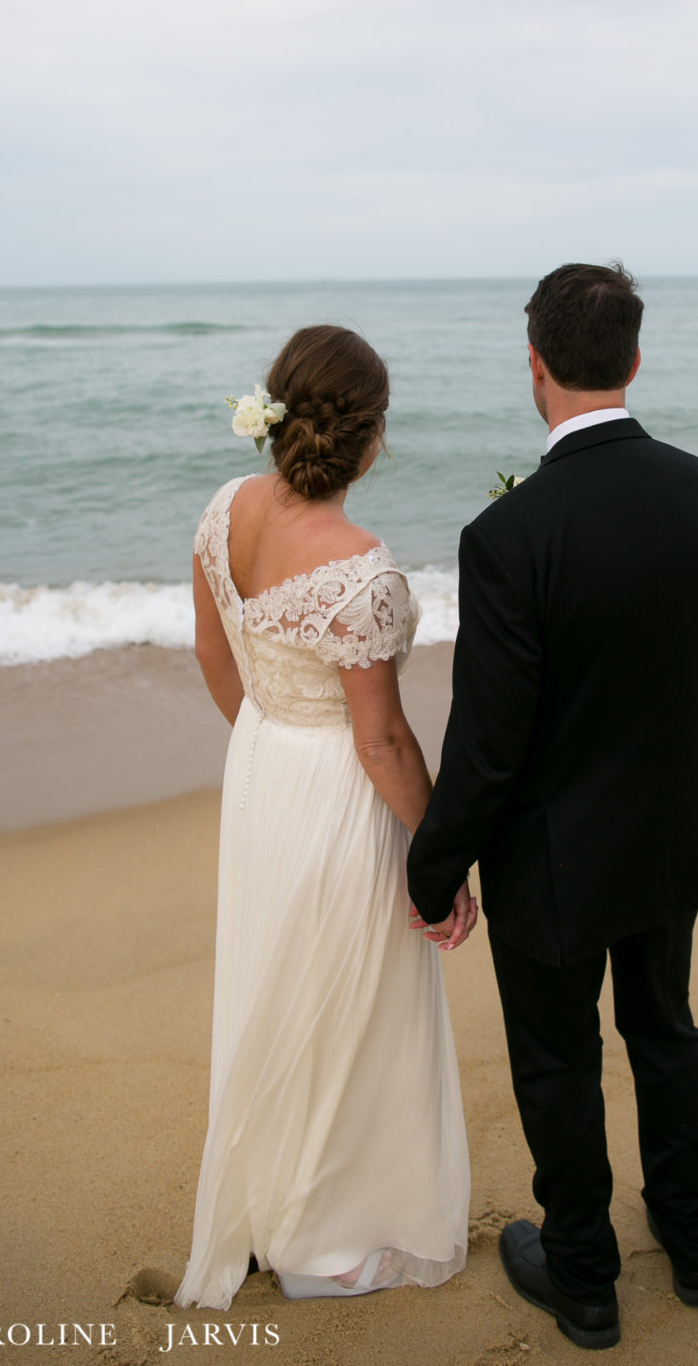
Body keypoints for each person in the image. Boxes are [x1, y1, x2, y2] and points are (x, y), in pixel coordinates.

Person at [407, 263, 698, 1350]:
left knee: (557, 1061)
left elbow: (488, 740)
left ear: (535, 366)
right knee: (665, 1031)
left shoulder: (508, 535)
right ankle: (691, 1247)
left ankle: (584, 1280)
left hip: (552, 858)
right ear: (634, 363)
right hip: (669, 827)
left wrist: (434, 863)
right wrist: (678, 783)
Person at [176, 325, 474, 1313]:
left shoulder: (223, 512)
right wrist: (442, 857)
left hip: (259, 763)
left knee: (277, 983)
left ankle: (273, 1207)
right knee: (344, 1005)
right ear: (370, 437)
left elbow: (215, 656)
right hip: (337, 793)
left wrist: (271, 737)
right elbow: (381, 740)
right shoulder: (361, 571)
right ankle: (325, 1243)